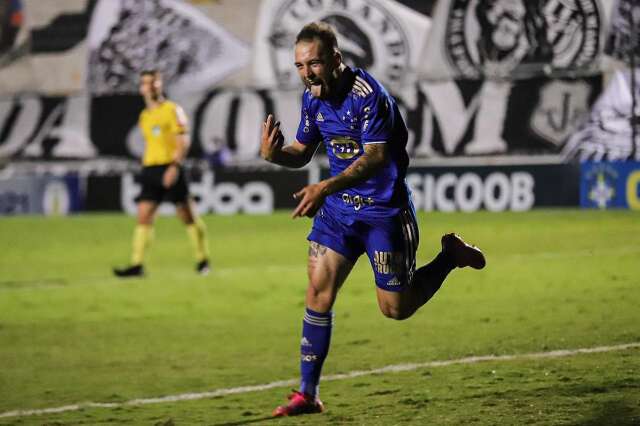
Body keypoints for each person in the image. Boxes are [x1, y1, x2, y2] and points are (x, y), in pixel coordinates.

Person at [260, 22, 486, 417]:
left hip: (384, 213)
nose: (306, 73)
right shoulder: (313, 98)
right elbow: (302, 150)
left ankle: (450, 256)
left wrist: (324, 187)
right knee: (318, 294)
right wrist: (275, 155)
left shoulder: (369, 96)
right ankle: (307, 394)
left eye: (313, 63)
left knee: (395, 309)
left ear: (335, 59)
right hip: (339, 215)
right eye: (299, 66)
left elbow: (376, 157)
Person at [113, 70, 210, 278]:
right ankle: (137, 264)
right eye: (146, 83)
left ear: (160, 84)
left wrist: (174, 166)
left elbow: (183, 140)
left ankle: (203, 260)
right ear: (141, 88)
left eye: (154, 82)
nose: (151, 86)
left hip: (171, 166)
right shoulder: (145, 116)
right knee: (143, 216)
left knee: (187, 215)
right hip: (151, 169)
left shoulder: (173, 110)